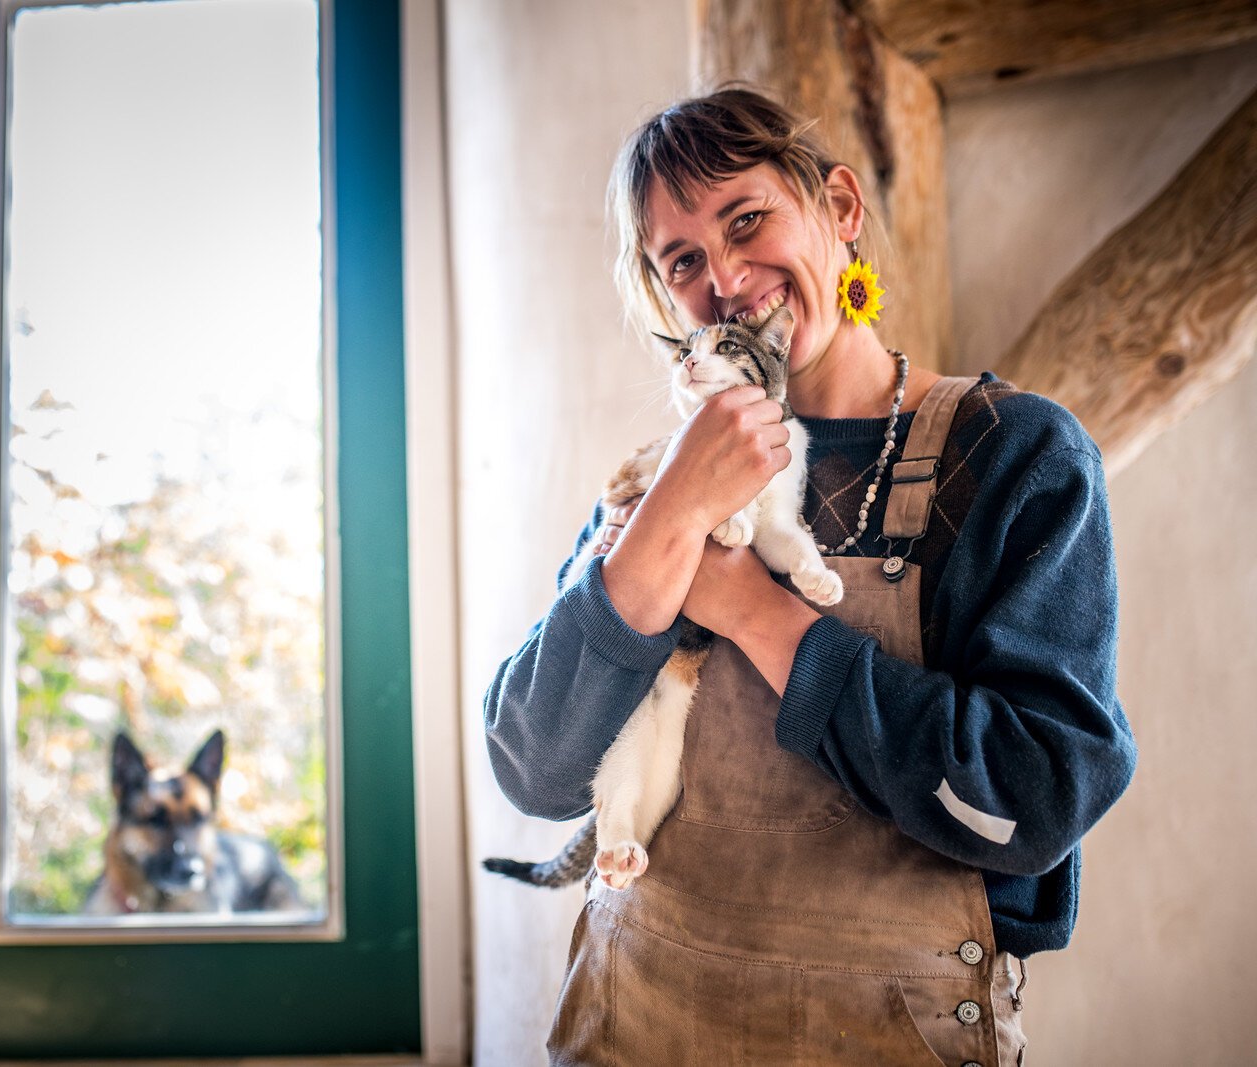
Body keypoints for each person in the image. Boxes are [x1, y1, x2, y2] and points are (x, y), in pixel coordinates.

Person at [482, 87, 1136, 1066]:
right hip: (637, 1026)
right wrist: (664, 517)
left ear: (838, 207)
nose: (731, 278)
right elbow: (536, 769)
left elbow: (1030, 801)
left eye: (748, 220)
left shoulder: (1013, 453)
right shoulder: (656, 482)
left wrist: (750, 607)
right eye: (683, 261)